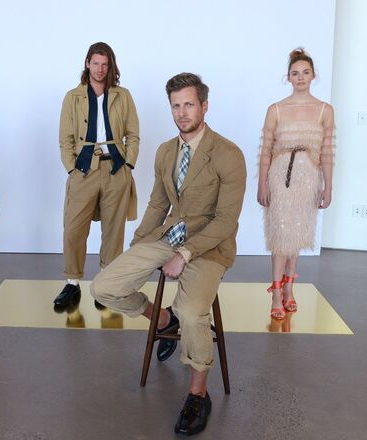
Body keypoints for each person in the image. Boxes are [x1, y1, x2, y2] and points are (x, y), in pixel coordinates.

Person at [91, 73, 246, 436]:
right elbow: (158, 205)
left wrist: (186, 254)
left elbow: (226, 221)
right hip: (168, 236)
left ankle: (198, 395)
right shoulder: (165, 151)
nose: (182, 112)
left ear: (204, 106)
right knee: (103, 286)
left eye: (189, 104)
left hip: (210, 246)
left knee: (191, 313)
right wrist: (138, 246)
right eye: (176, 106)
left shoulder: (228, 154)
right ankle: (162, 319)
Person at [55, 42, 139, 308]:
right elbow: (65, 138)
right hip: (83, 169)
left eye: (105, 64)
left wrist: (128, 165)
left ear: (110, 65)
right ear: (87, 63)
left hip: (116, 168)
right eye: (95, 63)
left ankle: (106, 284)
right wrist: (71, 168)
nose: (100, 69)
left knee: (113, 230)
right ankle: (72, 283)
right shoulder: (73, 97)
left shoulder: (123, 96)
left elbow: (133, 134)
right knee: (73, 229)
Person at [257, 48, 334, 320]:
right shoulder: (276, 109)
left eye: (305, 72)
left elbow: (327, 151)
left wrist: (328, 186)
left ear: (313, 75)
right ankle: (276, 293)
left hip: (309, 178)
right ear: (288, 77)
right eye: (295, 73)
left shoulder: (325, 110)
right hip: (281, 176)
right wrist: (262, 184)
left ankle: (290, 287)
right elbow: (266, 150)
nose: (300, 77)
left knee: (298, 233)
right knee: (281, 236)